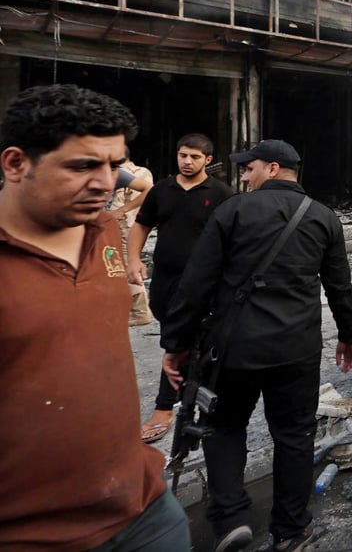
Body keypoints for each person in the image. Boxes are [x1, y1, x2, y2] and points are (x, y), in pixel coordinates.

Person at [0, 84, 190, 551]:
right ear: (15, 163)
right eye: (83, 165)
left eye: (114, 165)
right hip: (33, 535)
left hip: (142, 507)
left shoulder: (103, 228)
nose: (106, 184)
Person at [160, 139, 352, 552]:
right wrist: (348, 335)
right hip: (297, 349)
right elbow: (340, 285)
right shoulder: (324, 217)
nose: (243, 177)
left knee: (224, 429)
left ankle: (231, 518)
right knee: (294, 436)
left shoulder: (231, 211)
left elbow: (196, 283)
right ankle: (290, 530)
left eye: (248, 169)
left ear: (272, 169)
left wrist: (175, 342)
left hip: (234, 349)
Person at [128, 133, 235, 444]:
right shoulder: (162, 190)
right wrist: (133, 260)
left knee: (181, 340)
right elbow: (141, 225)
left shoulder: (221, 194)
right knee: (177, 337)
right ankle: (188, 397)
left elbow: (233, 238)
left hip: (204, 284)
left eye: (195, 157)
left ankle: (166, 407)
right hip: (165, 280)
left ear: (208, 160)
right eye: (183, 155)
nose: (187, 162)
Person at [108, 151, 155, 326]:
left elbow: (118, 204)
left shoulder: (120, 174)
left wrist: (120, 212)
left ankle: (140, 311)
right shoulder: (143, 172)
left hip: (125, 225)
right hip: (136, 223)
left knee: (126, 263)